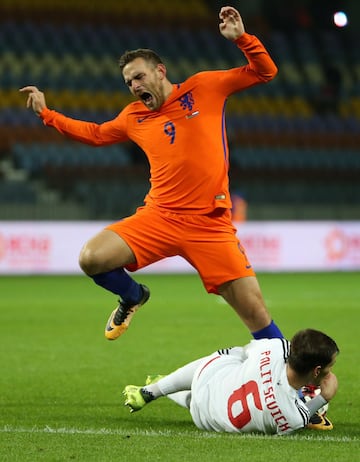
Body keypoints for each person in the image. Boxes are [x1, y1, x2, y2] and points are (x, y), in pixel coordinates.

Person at [20, 6, 283, 342]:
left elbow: (265, 72)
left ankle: (290, 380)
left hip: (209, 223)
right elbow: (96, 134)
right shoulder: (133, 117)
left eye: (139, 76)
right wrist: (48, 115)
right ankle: (132, 295)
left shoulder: (204, 87)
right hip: (158, 217)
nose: (133, 85)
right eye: (128, 81)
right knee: (92, 258)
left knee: (255, 314)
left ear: (160, 71)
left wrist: (243, 39)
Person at [123, 329, 339, 434]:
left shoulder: (274, 348)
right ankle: (169, 390)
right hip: (208, 419)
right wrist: (325, 397)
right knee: (213, 390)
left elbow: (248, 352)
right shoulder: (292, 417)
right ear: (316, 370)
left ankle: (155, 389)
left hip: (210, 380)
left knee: (233, 354)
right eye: (329, 368)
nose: (331, 373)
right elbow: (305, 416)